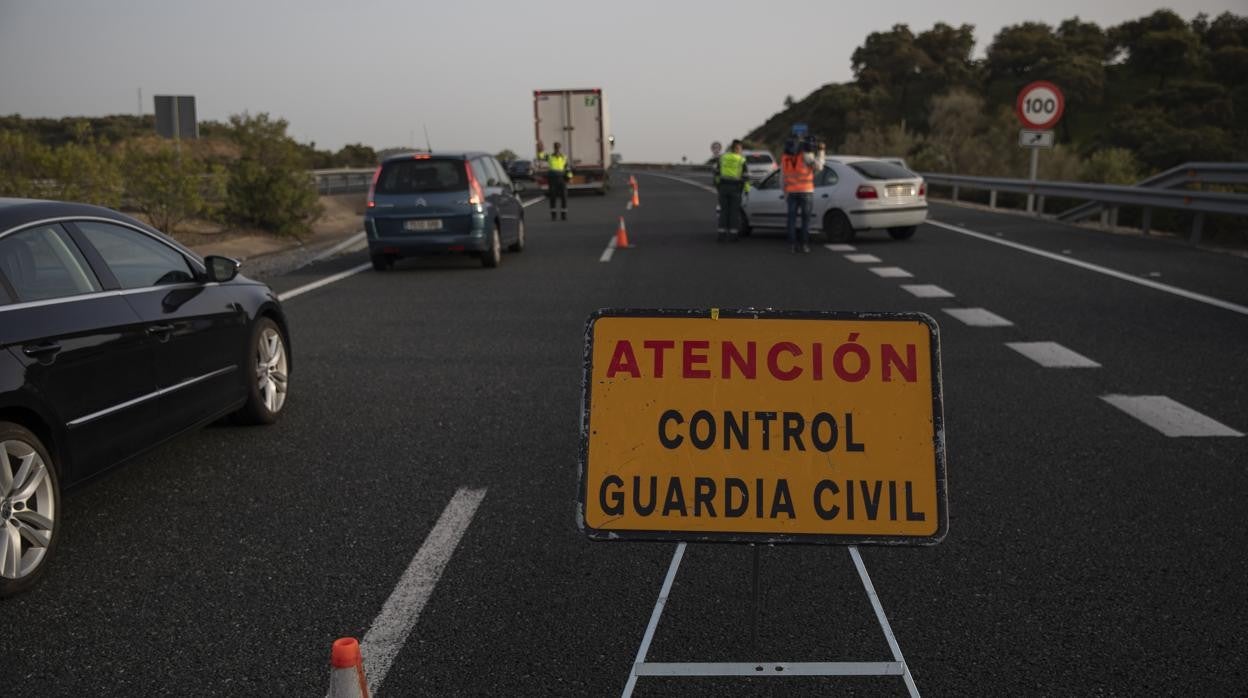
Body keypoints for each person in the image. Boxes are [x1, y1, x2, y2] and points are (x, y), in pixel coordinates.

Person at [781, 135, 826, 253]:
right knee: (805, 221)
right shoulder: (806, 155)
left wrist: (785, 192)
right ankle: (804, 245)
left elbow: (782, 178)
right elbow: (819, 166)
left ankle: (791, 246)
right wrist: (821, 151)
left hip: (791, 193)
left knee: (791, 220)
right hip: (806, 192)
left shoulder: (785, 158)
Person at [714, 140, 750, 242]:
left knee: (724, 211)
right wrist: (747, 190)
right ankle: (733, 235)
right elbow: (746, 177)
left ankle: (721, 235)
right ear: (737, 148)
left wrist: (718, 187)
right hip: (735, 188)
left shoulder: (723, 158)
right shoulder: (741, 160)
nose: (741, 150)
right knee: (734, 212)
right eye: (741, 148)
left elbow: (716, 174)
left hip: (723, 187)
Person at [536, 141, 572, 221]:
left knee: (564, 197)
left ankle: (563, 214)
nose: (557, 149)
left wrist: (569, 177)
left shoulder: (563, 157)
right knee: (553, 196)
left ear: (560, 148)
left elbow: (567, 168)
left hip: (562, 178)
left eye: (558, 147)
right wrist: (540, 149)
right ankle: (553, 215)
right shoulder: (549, 156)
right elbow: (540, 157)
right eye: (555, 147)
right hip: (552, 179)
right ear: (554, 148)